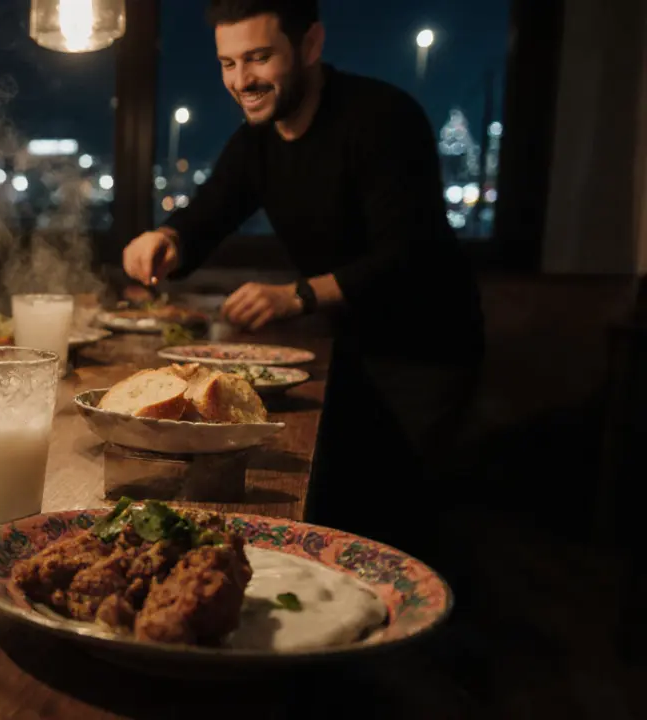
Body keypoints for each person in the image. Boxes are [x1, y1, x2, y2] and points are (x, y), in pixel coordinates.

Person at [123, 0, 483, 559]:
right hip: (346, 342)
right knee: (342, 500)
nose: (242, 80)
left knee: (400, 513)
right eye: (227, 63)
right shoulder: (257, 141)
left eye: (259, 58)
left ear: (310, 45)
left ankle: (418, 632)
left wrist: (298, 295)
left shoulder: (383, 116)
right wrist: (166, 240)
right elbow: (208, 213)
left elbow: (409, 254)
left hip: (426, 348)